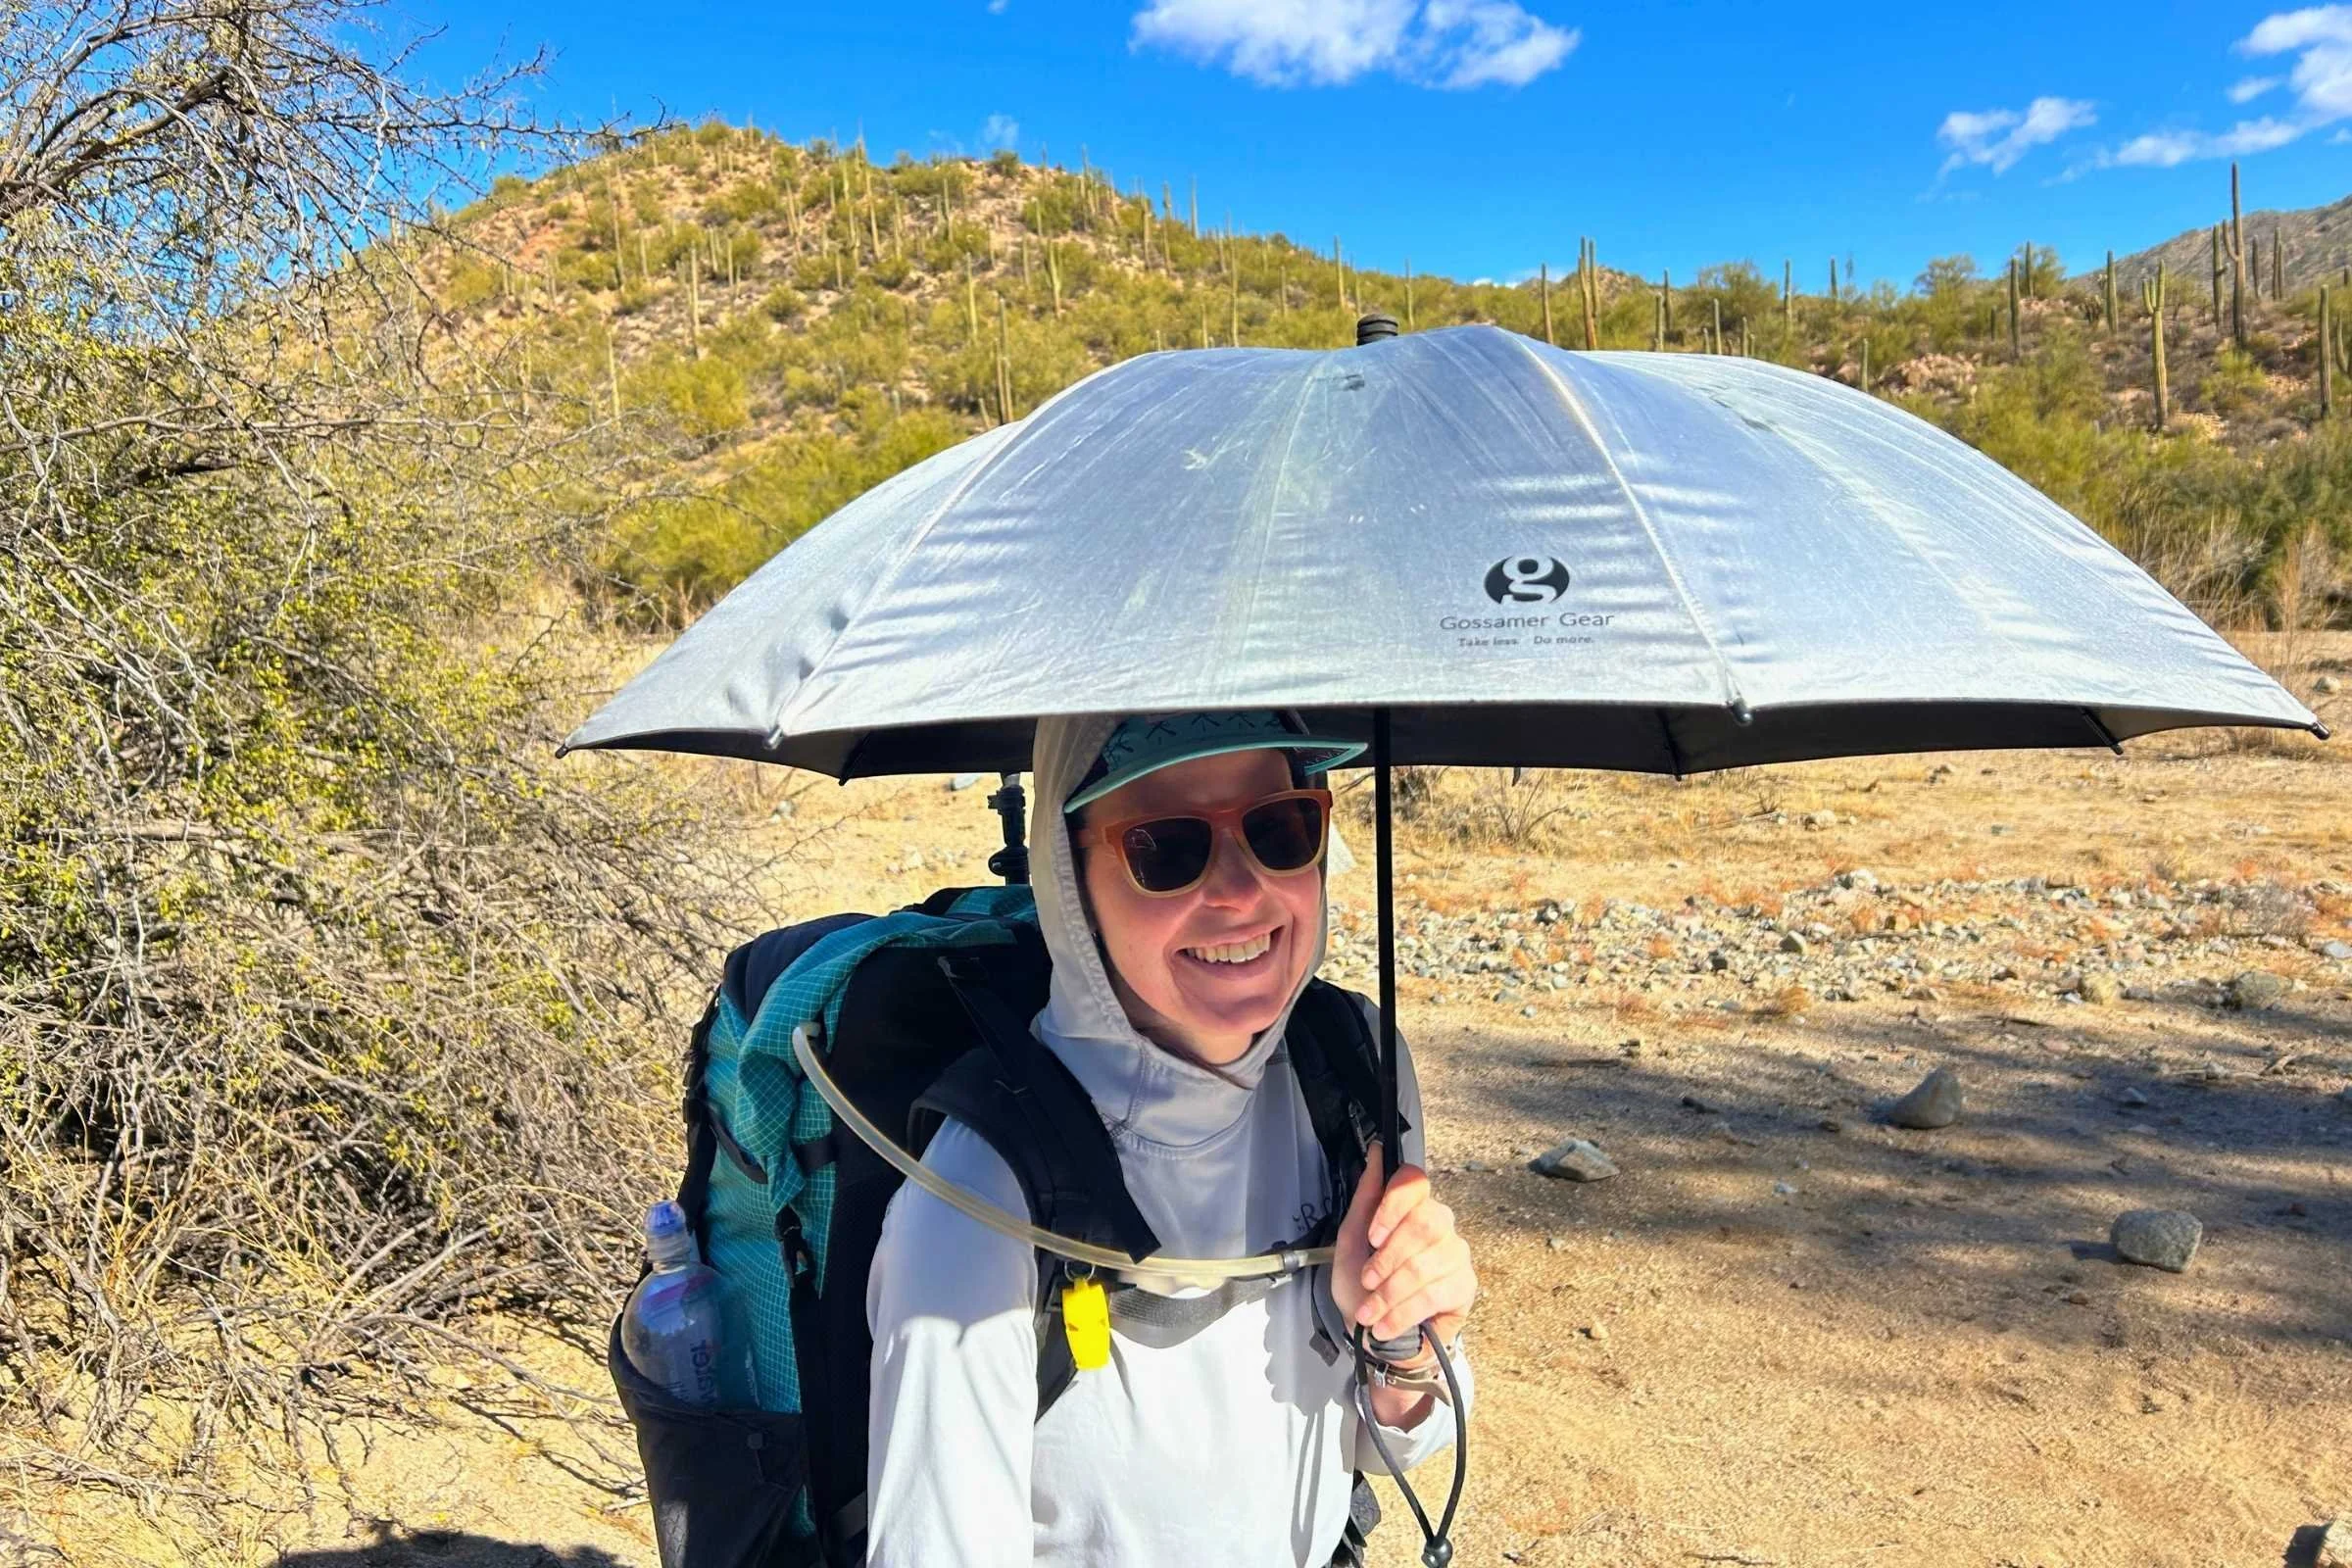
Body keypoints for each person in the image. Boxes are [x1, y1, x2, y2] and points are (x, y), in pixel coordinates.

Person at [864, 710, 1478, 1565]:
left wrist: (1403, 1335)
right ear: (1068, 878)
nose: (1238, 890)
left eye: (1279, 828)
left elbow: (1390, 1447)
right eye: (1167, 847)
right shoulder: (977, 1200)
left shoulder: (1355, 1063)